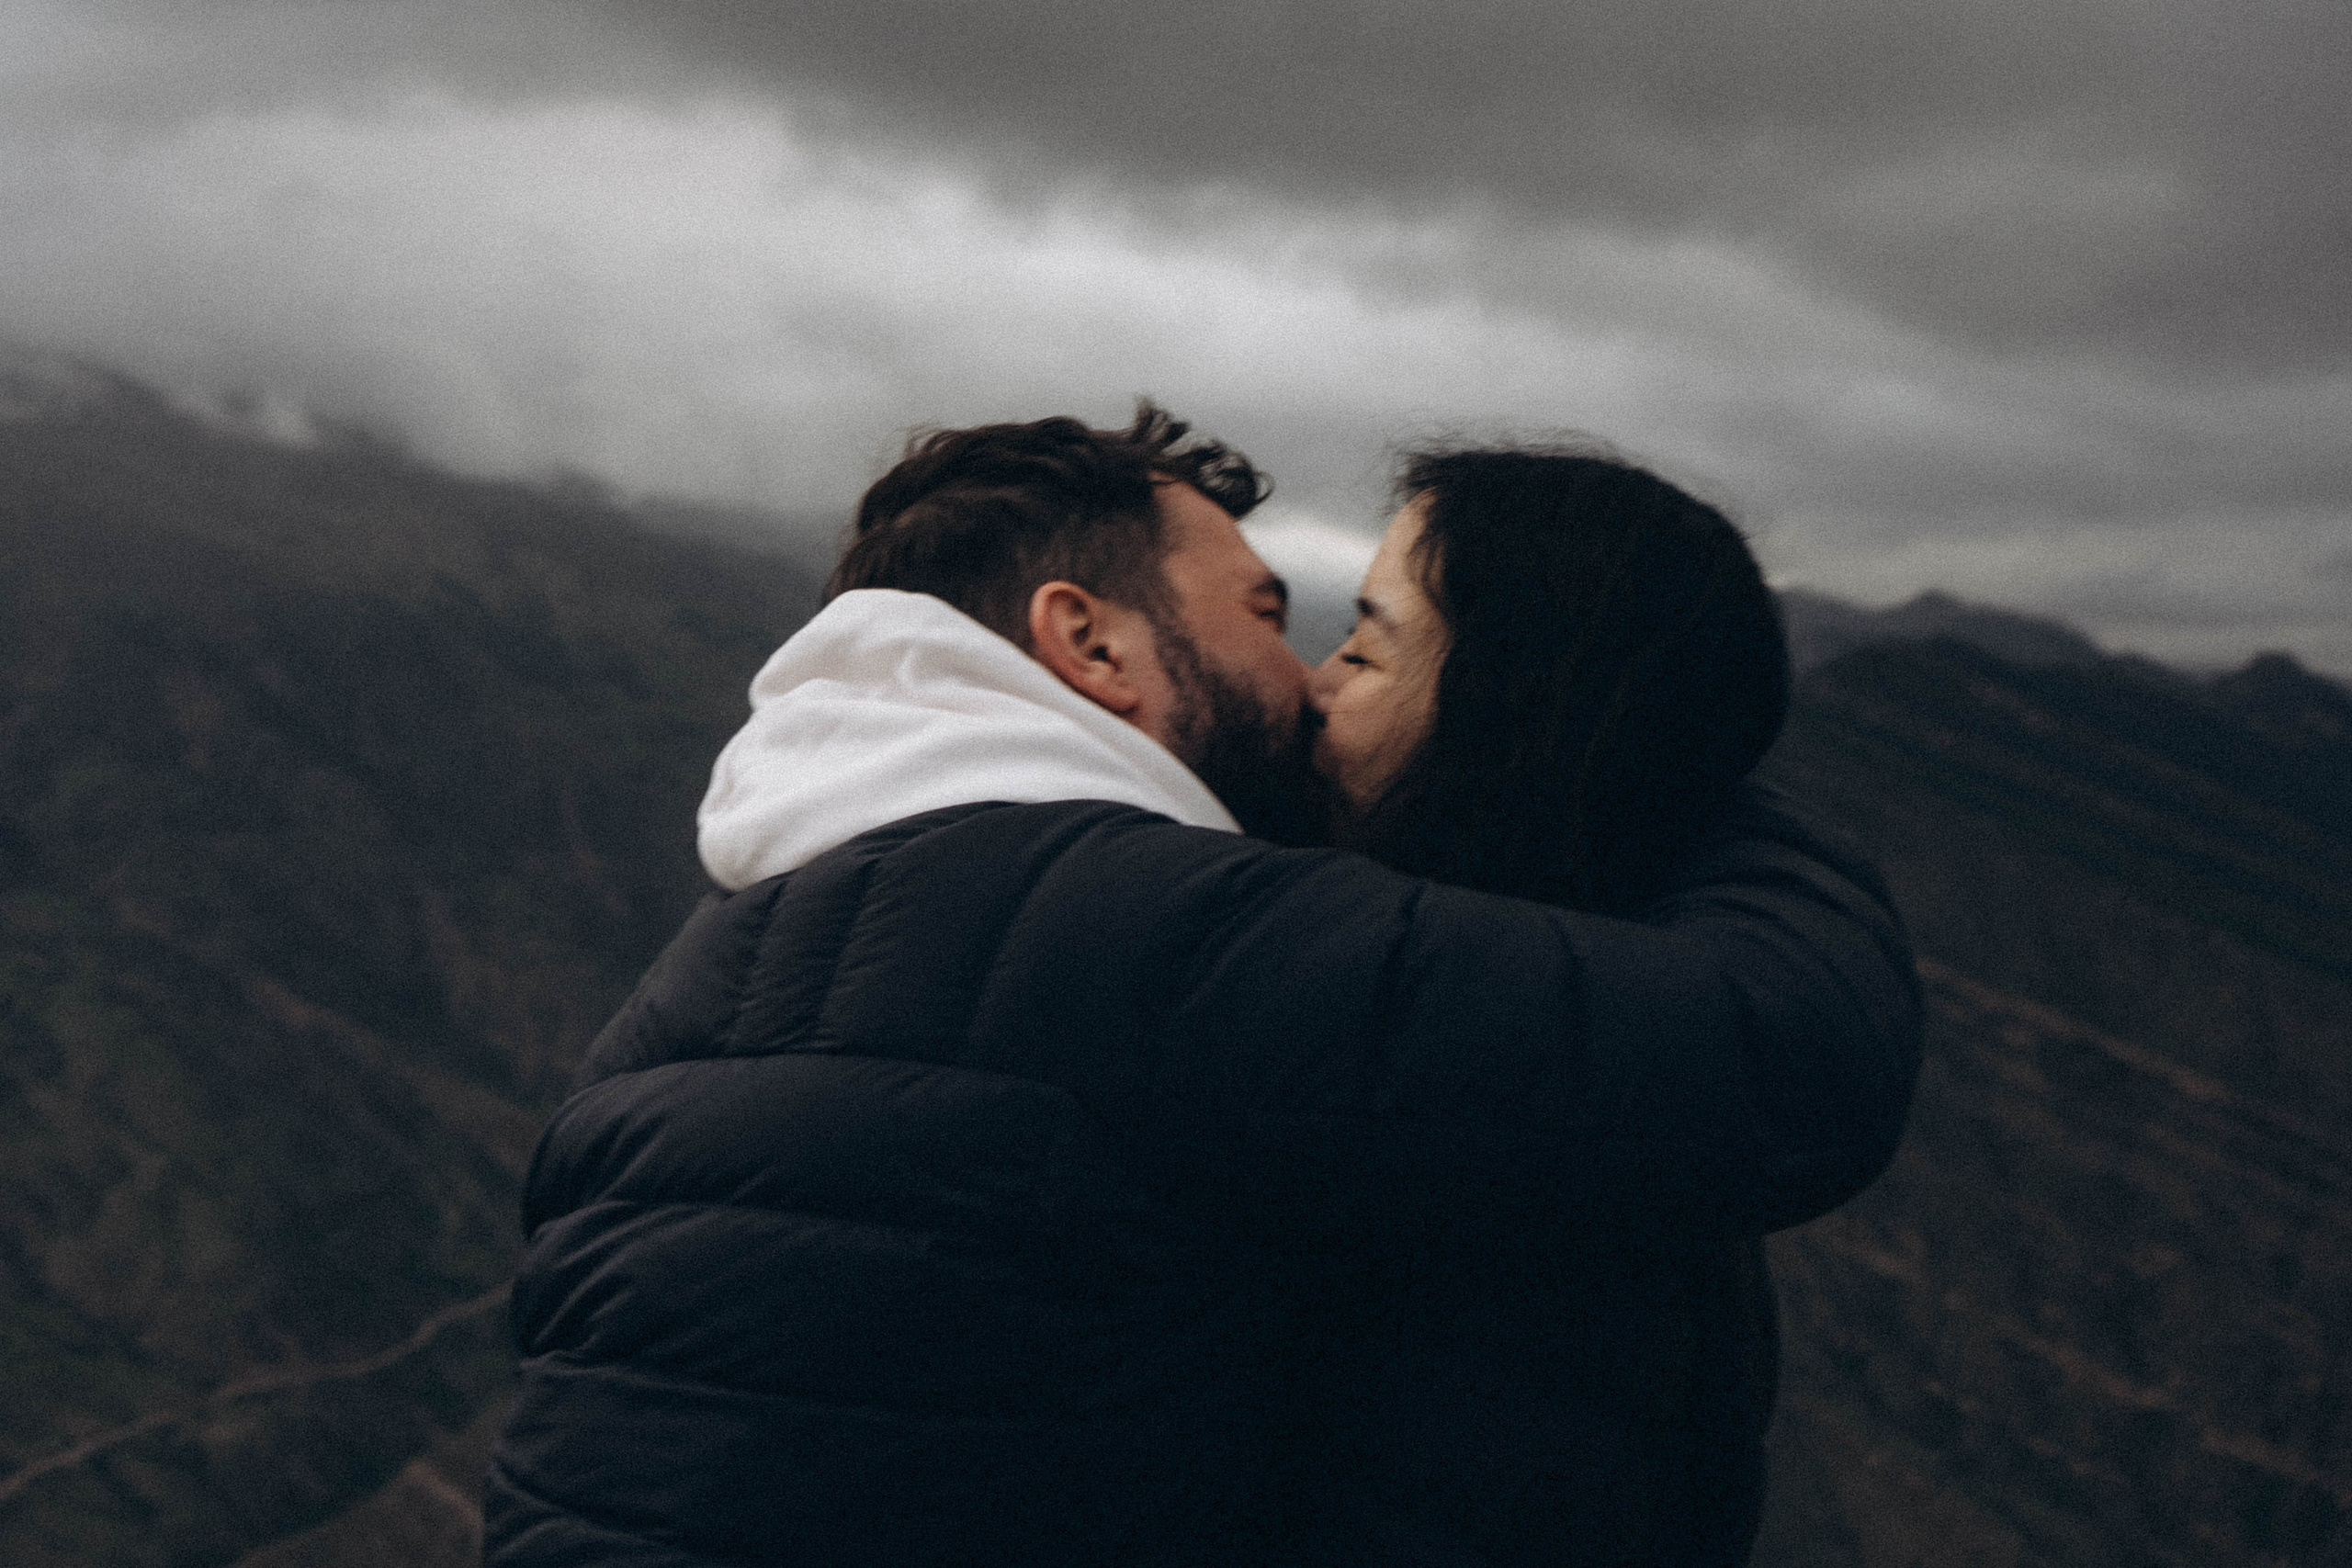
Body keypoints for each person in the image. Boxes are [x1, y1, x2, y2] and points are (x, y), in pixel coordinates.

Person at [482, 405, 1919, 1566]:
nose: (1303, 682)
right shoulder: (1130, 929)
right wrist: (1642, 746)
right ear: (1088, 640)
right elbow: (1782, 1052)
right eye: (1269, 612)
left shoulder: (714, 970)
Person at [1289, 446, 1834, 1564]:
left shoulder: (1439, 1121)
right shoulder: (1610, 1067)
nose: (1313, 685)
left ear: (1502, 722)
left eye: (1362, 647)